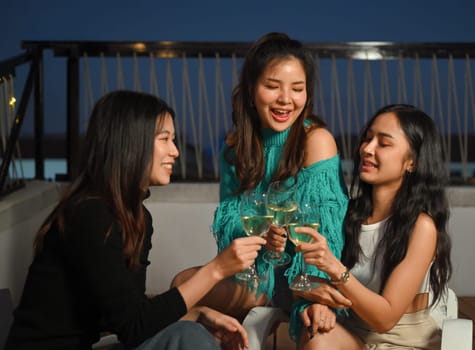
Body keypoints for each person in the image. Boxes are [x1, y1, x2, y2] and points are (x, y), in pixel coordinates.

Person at [5, 90, 266, 350]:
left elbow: (129, 313)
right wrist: (217, 269)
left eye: (174, 140)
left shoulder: (137, 218)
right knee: (187, 336)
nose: (175, 151)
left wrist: (198, 313)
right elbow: (134, 326)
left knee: (188, 331)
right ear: (130, 143)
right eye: (165, 139)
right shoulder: (89, 215)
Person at [172, 32, 349, 324]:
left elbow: (327, 235)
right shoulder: (234, 150)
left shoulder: (316, 141)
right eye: (272, 86)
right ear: (252, 90)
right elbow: (229, 238)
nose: (286, 100)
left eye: (297, 89)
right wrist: (262, 238)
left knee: (188, 291)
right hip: (256, 276)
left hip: (301, 277)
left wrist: (315, 296)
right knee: (182, 283)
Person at [292, 104, 452, 349]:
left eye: (383, 144)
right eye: (367, 139)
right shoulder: (349, 213)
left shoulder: (422, 227)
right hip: (352, 333)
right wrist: (316, 301)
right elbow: (303, 280)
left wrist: (335, 270)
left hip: (403, 342)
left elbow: (385, 319)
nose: (367, 149)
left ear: (412, 162)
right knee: (317, 335)